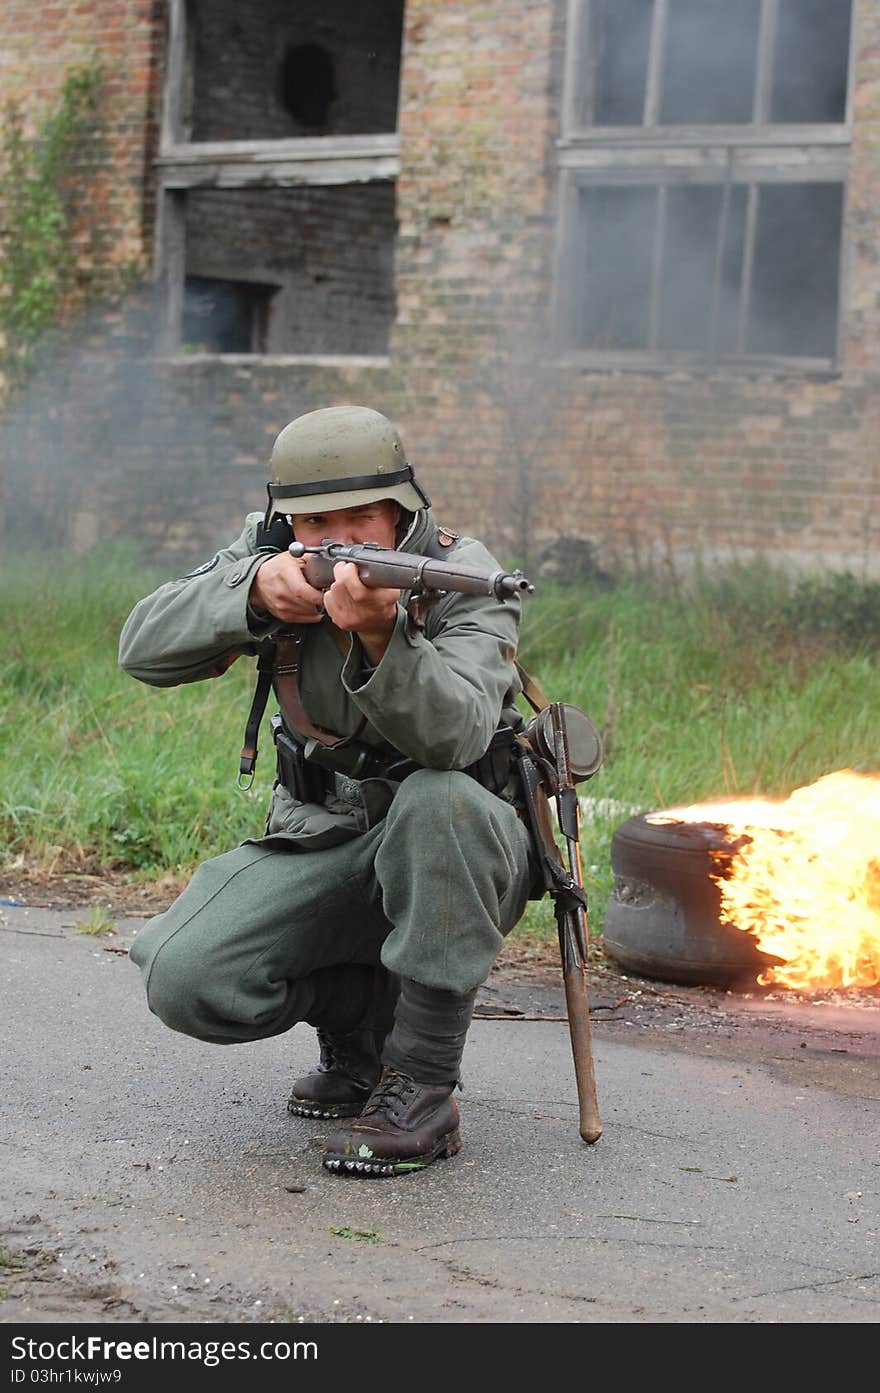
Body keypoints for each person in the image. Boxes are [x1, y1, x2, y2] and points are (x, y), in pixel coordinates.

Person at [119, 404, 535, 1178]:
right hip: (320, 836)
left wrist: (384, 638)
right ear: (286, 522)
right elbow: (140, 648)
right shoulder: (269, 552)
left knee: (441, 797)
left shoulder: (465, 580)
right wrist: (250, 595)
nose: (339, 538)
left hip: (452, 851)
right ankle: (360, 1021)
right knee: (185, 976)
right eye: (316, 522)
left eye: (361, 518)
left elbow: (454, 737)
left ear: (402, 511)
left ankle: (422, 1084)